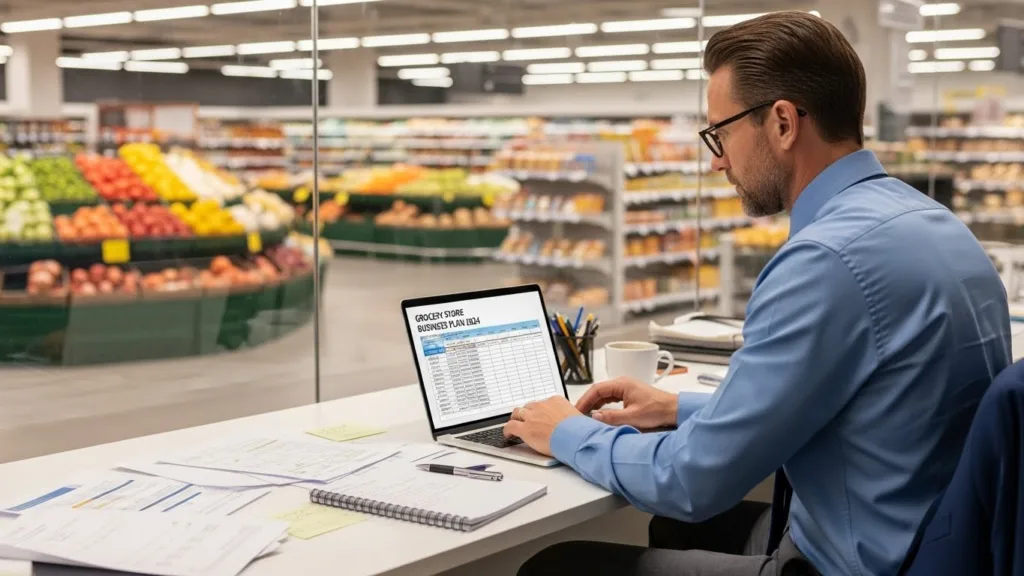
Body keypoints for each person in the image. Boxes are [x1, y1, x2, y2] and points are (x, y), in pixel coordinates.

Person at [506, 11, 1012, 576]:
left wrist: (565, 431)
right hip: (932, 540)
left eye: (719, 133)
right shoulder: (933, 222)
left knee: (559, 565)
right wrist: (676, 407)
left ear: (782, 123)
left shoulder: (825, 261)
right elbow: (851, 400)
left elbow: (693, 481)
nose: (717, 160)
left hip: (850, 562)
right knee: (679, 531)